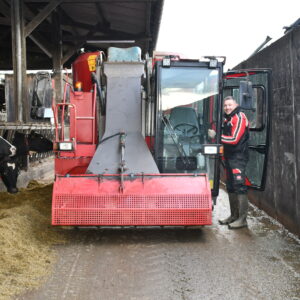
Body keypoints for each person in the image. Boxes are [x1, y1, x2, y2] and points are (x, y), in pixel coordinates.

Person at [208, 96, 249, 229]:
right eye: (225, 105)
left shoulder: (240, 117)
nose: (227, 107)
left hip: (238, 157)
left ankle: (242, 220)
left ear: (235, 104)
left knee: (240, 187)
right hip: (229, 157)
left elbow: (234, 139)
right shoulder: (228, 119)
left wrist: (217, 136)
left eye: (230, 105)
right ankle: (234, 216)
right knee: (231, 186)